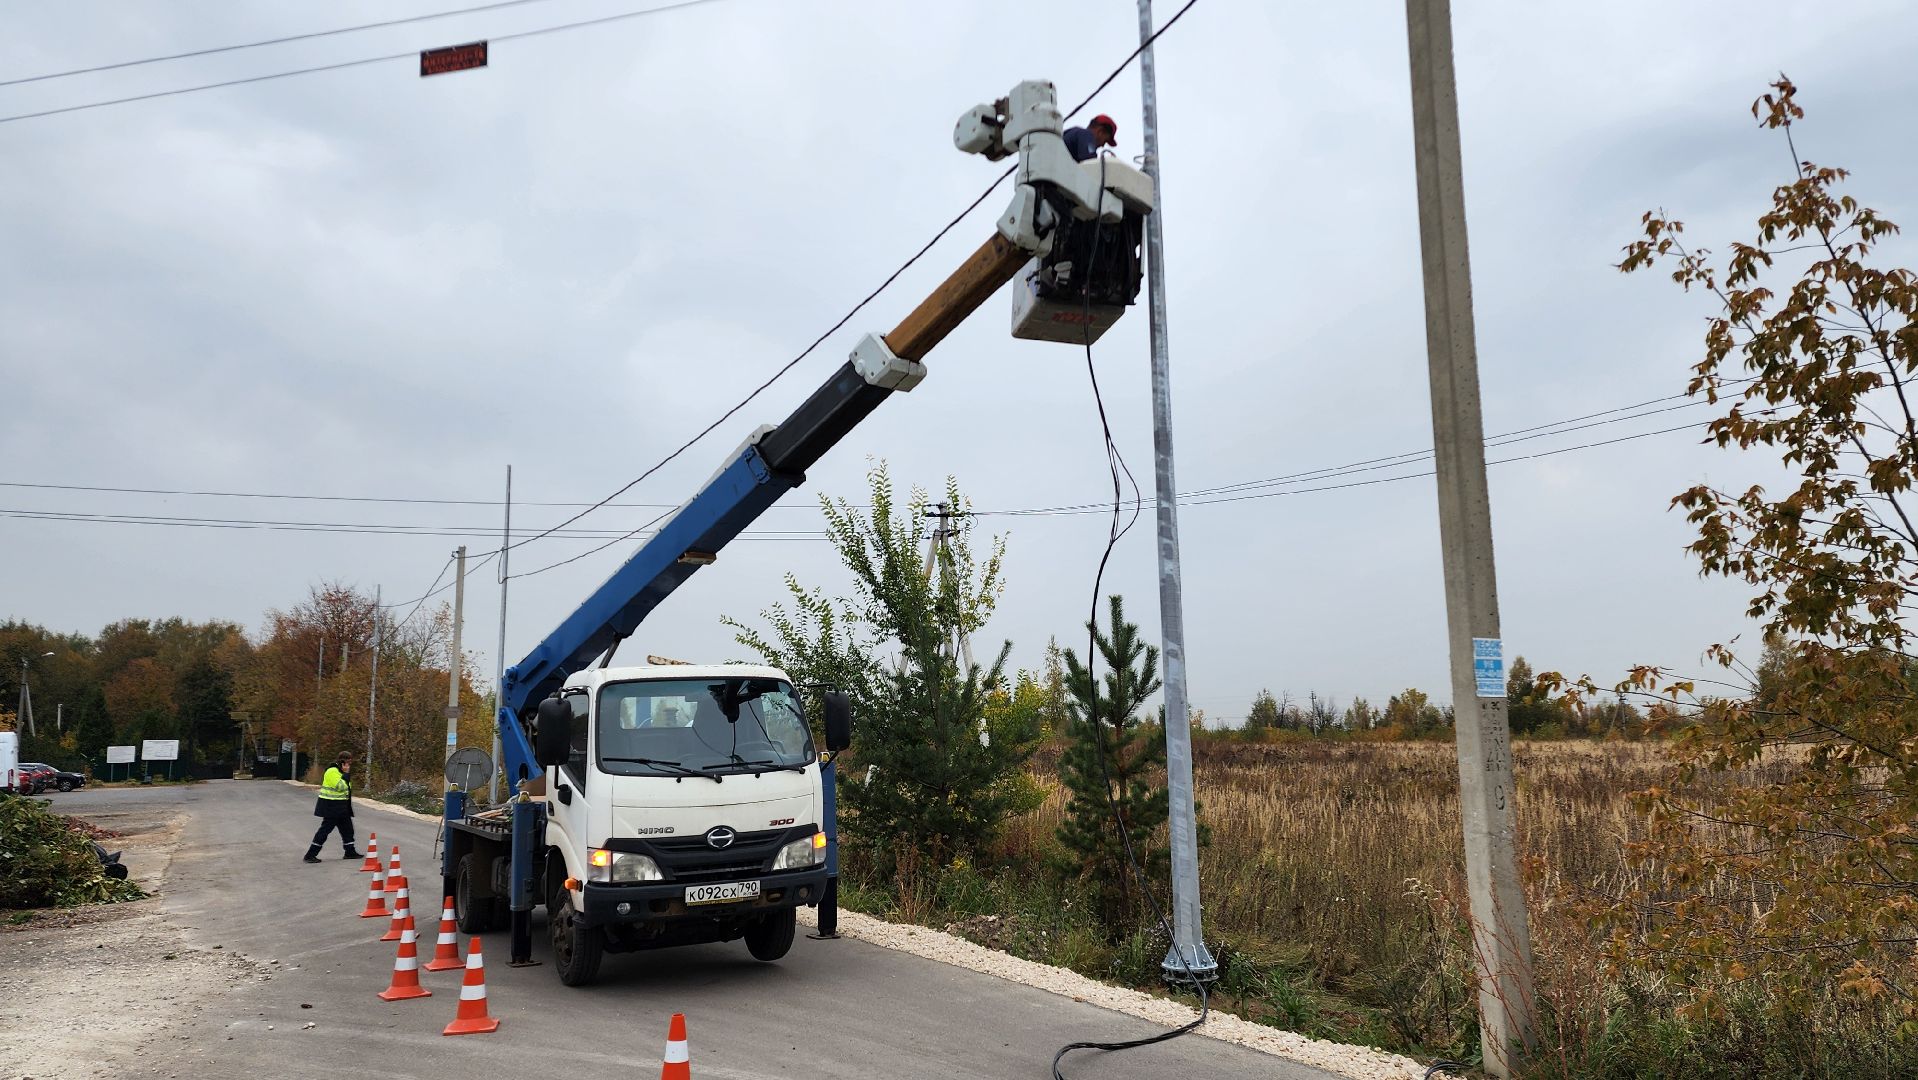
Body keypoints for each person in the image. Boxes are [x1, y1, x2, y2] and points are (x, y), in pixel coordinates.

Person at [304, 752, 361, 863]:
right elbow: (341, 787)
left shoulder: (340, 772)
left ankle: (350, 852)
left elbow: (347, 788)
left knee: (348, 830)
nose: (349, 765)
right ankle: (310, 855)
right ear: (342, 762)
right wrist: (346, 774)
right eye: (348, 762)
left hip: (341, 806)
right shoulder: (332, 771)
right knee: (325, 831)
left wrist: (345, 775)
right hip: (331, 806)